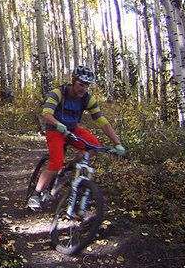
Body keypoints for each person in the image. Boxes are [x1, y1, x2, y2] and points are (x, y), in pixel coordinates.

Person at [27, 65, 126, 211]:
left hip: (73, 129)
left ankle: (72, 165)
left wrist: (117, 143)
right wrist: (57, 124)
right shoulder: (58, 93)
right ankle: (36, 195)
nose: (83, 89)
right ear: (73, 81)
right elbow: (46, 114)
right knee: (56, 163)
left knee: (93, 146)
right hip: (55, 130)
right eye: (81, 84)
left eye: (87, 86)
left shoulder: (87, 99)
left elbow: (102, 122)